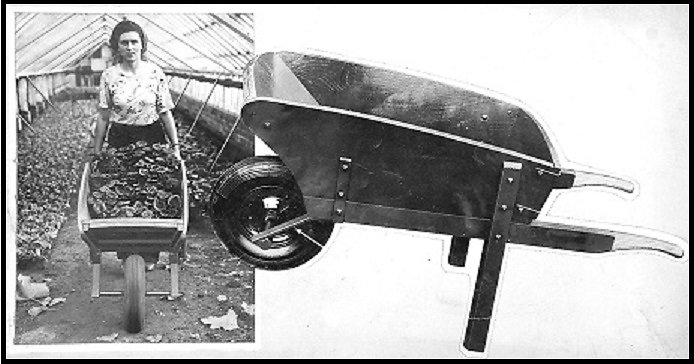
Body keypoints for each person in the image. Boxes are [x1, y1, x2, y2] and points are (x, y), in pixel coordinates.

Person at [93, 19, 181, 158]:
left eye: (134, 42)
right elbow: (104, 116)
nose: (130, 47)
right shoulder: (109, 76)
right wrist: (96, 151)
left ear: (142, 44)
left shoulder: (155, 73)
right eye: (124, 43)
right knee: (119, 177)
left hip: (151, 136)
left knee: (154, 175)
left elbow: (164, 112)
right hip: (120, 138)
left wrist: (175, 148)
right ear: (117, 47)